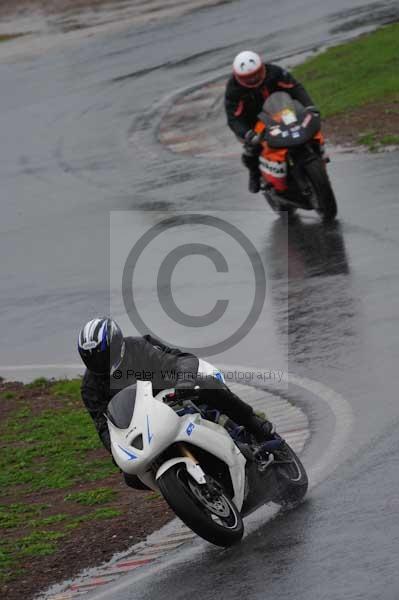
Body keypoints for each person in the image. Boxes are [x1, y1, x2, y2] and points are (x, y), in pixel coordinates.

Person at [78, 317, 277, 488]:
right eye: (94, 360)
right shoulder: (90, 387)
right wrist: (117, 453)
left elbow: (179, 360)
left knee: (206, 386)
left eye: (104, 356)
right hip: (145, 420)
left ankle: (255, 426)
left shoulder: (138, 347)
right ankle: (184, 490)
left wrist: (184, 383)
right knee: (131, 477)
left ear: (117, 344)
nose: (100, 364)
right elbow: (103, 424)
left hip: (176, 392)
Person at [224, 50, 322, 193]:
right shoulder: (233, 89)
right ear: (238, 77)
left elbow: (295, 87)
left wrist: (309, 106)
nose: (253, 79)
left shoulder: (274, 72)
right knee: (254, 147)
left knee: (304, 127)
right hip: (254, 122)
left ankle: (317, 154)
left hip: (282, 110)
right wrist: (247, 134)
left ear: (262, 68)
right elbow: (233, 118)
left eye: (255, 74)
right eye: (248, 77)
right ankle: (255, 174)